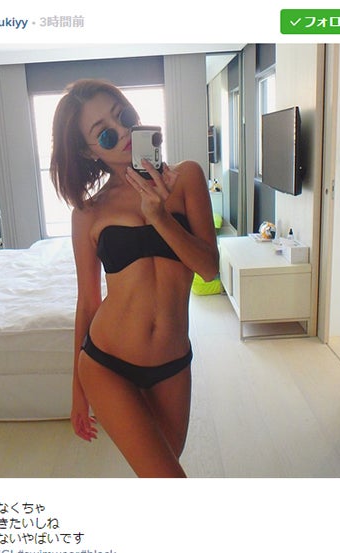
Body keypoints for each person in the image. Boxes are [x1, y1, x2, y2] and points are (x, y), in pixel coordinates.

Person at [50, 79, 219, 478]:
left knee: (161, 474)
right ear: (88, 151)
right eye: (105, 133)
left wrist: (160, 216)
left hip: (172, 363)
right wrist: (77, 390)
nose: (123, 131)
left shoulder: (187, 178)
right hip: (107, 363)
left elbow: (209, 268)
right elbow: (88, 303)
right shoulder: (89, 213)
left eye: (122, 116)